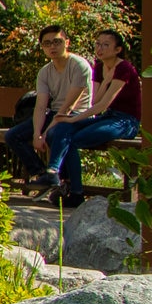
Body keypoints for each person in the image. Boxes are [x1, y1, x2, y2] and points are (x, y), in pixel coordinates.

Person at [38, 28, 140, 205]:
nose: (100, 48)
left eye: (106, 45)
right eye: (98, 44)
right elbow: (95, 101)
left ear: (118, 49)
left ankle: (75, 192)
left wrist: (73, 118)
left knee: (72, 138)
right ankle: (54, 174)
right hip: (108, 116)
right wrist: (106, 80)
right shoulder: (99, 67)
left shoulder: (124, 68)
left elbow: (103, 104)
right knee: (62, 129)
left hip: (125, 121)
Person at [26, 25, 95, 196]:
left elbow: (68, 107)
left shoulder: (79, 65)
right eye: (47, 43)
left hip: (80, 115)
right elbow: (41, 106)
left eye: (57, 42)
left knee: (60, 134)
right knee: (14, 135)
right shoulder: (45, 72)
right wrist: (36, 134)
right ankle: (43, 174)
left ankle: (62, 180)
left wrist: (45, 133)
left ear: (67, 43)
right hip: (56, 114)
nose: (52, 47)